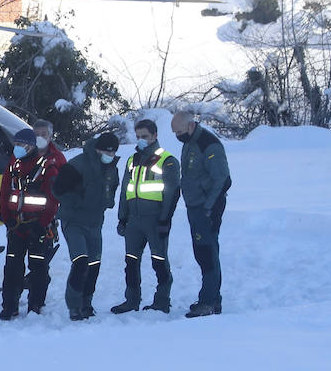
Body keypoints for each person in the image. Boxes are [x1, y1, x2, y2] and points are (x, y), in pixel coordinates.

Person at [112, 119, 181, 314]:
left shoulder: (167, 160)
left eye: (145, 136)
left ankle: (162, 300)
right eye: (138, 136)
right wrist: (122, 218)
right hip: (134, 219)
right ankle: (131, 300)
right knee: (131, 261)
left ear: (155, 136)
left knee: (159, 260)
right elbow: (125, 190)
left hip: (155, 219)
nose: (141, 140)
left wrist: (164, 220)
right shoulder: (132, 160)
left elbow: (172, 193)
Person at [53, 131, 120, 321]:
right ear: (97, 149)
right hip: (73, 221)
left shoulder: (111, 169)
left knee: (94, 264)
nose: (110, 155)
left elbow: (111, 189)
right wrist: (76, 199)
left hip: (95, 222)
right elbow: (57, 189)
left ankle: (86, 302)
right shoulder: (77, 164)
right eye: (106, 151)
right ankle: (74, 306)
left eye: (113, 152)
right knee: (81, 261)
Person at [171, 110, 231, 317]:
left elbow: (222, 179)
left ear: (190, 126)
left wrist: (209, 208)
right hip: (195, 206)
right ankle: (213, 299)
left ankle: (208, 302)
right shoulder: (189, 143)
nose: (177, 136)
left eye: (179, 131)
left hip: (207, 208)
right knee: (204, 252)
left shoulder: (208, 144)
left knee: (207, 253)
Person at [0, 127, 60, 320]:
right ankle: (9, 305)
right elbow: (4, 191)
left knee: (38, 267)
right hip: (16, 225)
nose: (18, 148)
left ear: (32, 146)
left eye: (21, 145)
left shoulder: (47, 166)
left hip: (38, 226)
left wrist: (42, 224)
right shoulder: (13, 165)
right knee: (12, 267)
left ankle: (36, 304)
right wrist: (6, 216)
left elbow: (53, 199)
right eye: (16, 144)